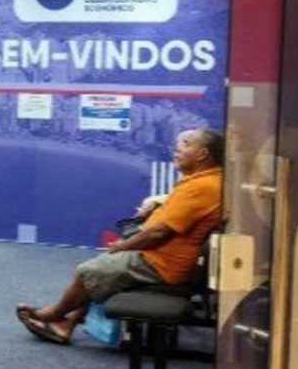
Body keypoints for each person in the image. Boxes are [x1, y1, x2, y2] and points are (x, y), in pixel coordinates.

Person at [17, 128, 224, 345]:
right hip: (161, 255)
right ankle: (65, 326)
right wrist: (155, 205)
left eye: (185, 143)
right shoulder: (208, 180)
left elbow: (158, 232)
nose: (176, 149)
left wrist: (123, 246)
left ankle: (53, 314)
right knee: (103, 272)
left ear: (202, 154)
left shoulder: (201, 187)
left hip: (161, 263)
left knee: (88, 272)